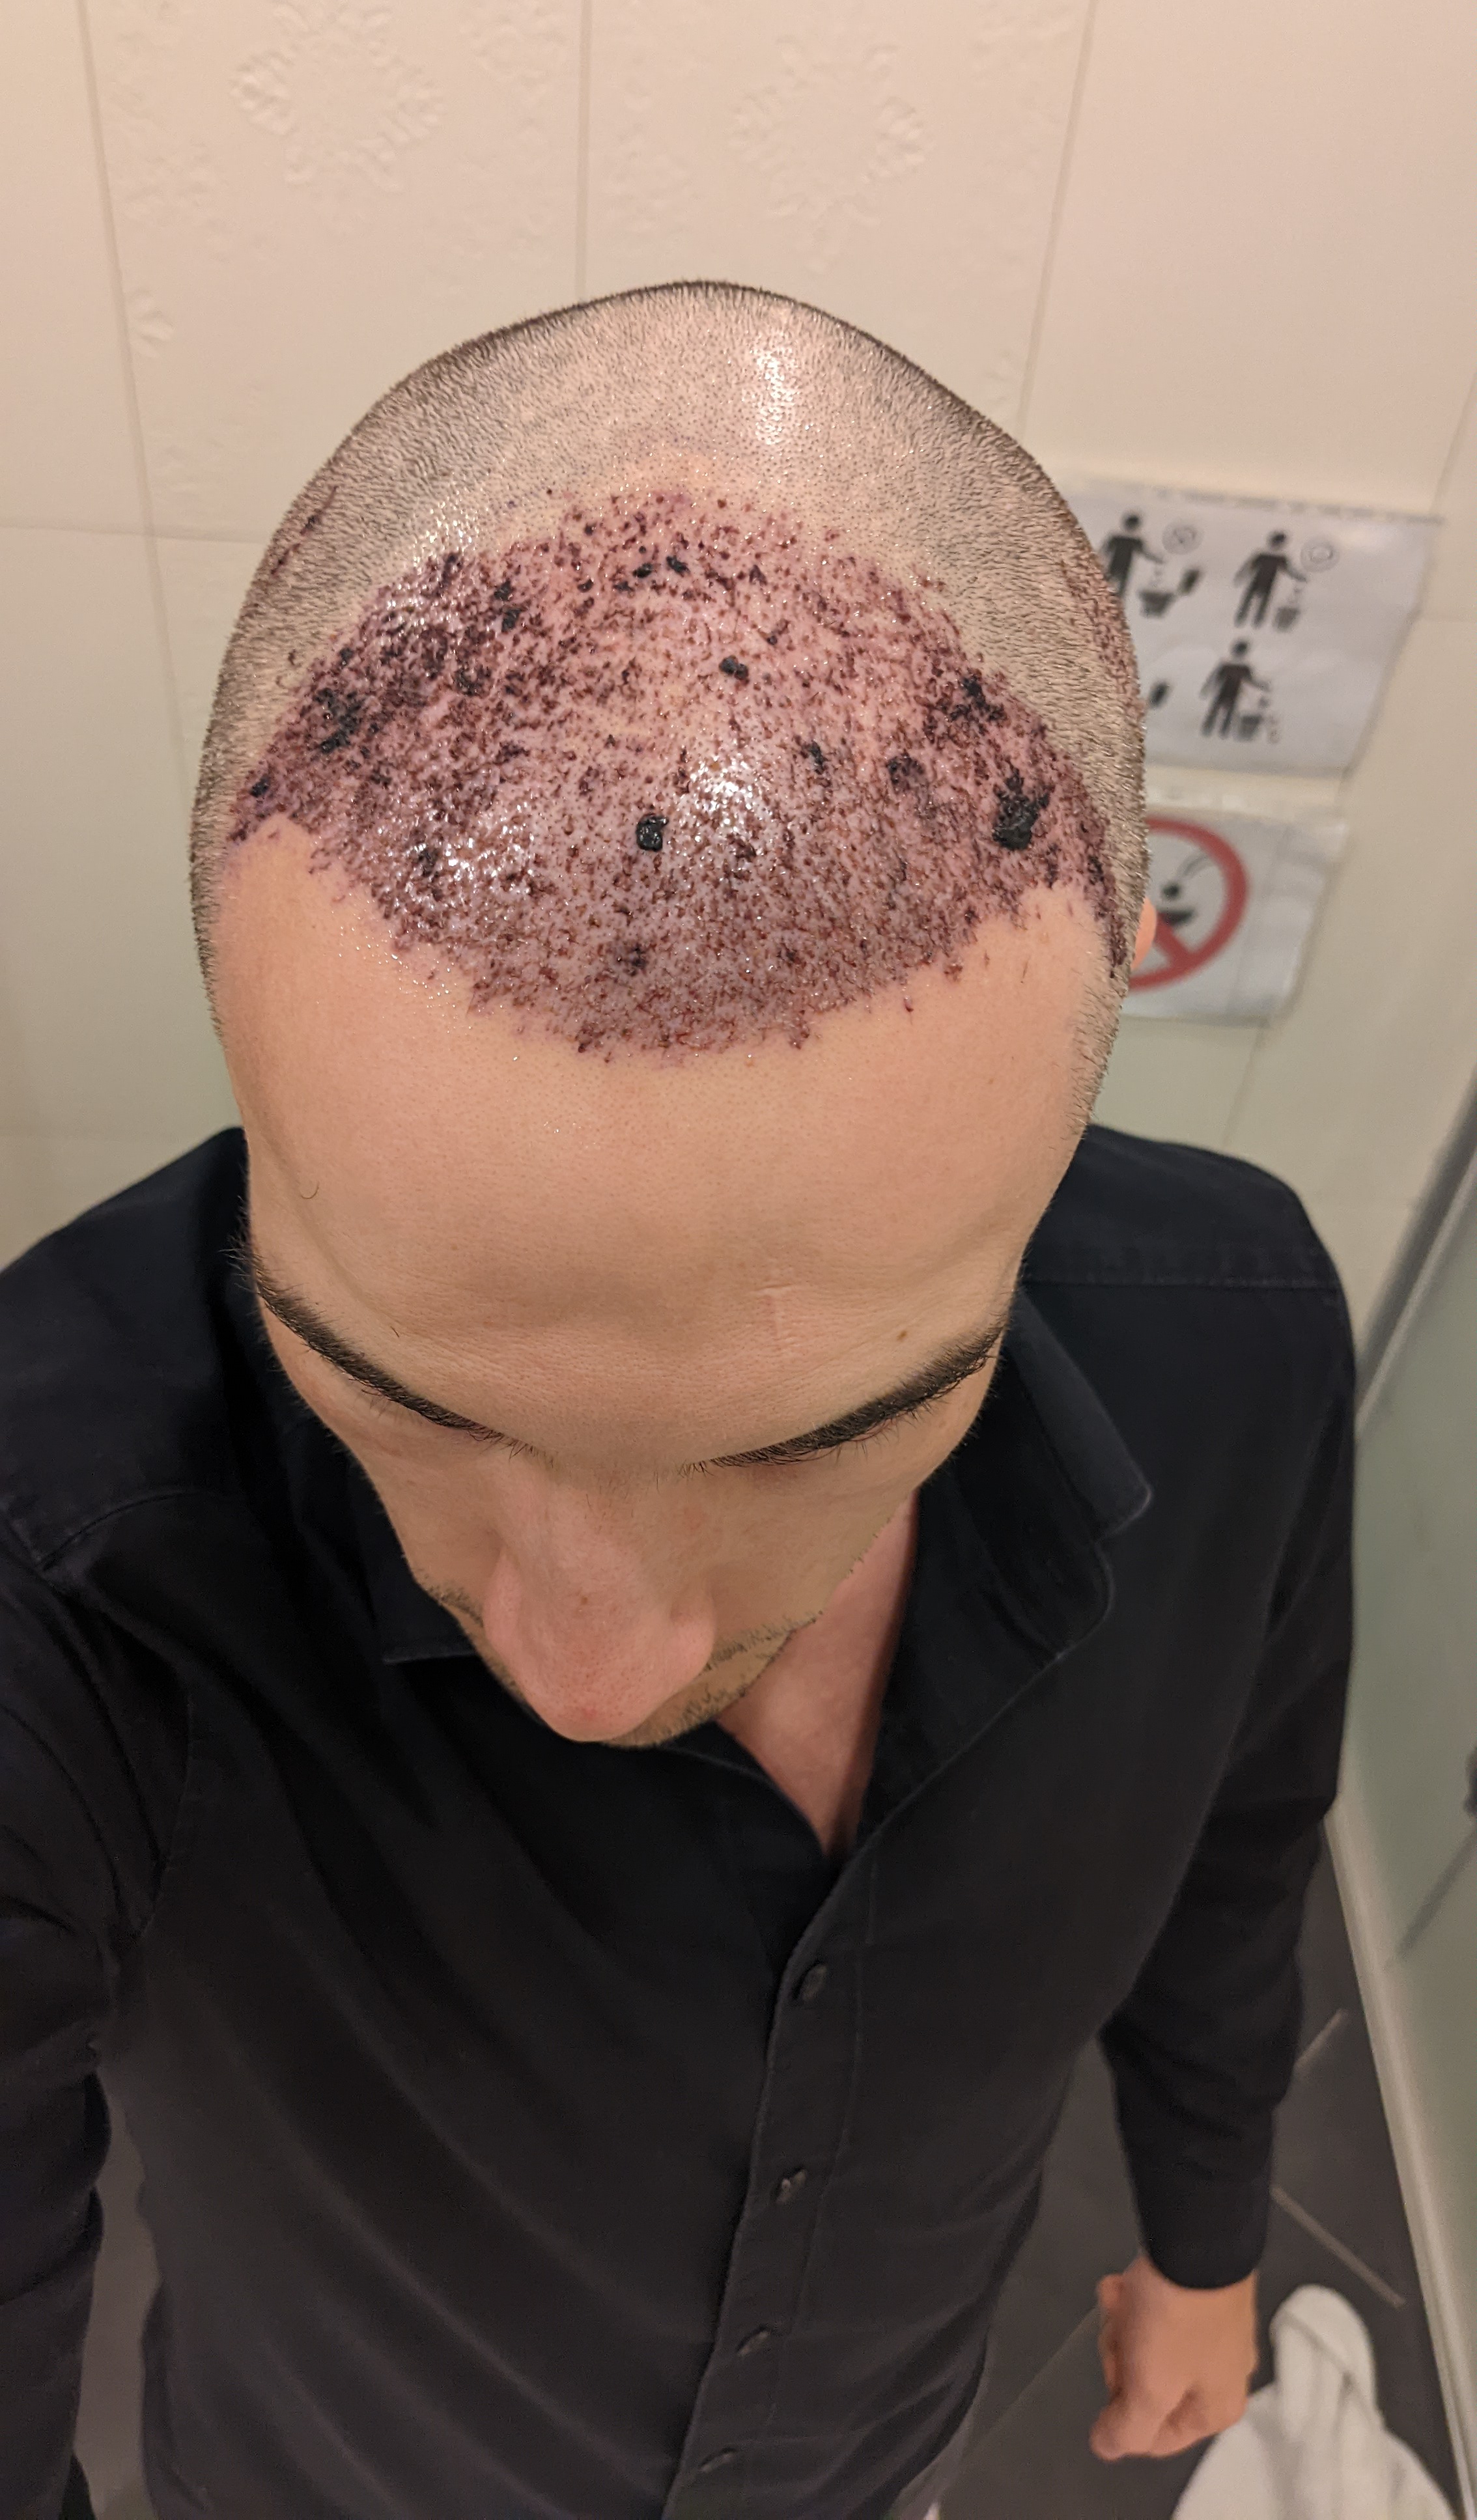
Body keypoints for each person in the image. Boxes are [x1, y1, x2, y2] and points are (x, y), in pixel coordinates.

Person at [1, 283, 1352, 2520]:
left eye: (815, 1436)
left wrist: (1207, 2230)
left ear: (1048, 1166)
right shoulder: (55, 1553)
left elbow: (1237, 1830)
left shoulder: (1238, 1342)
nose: (586, 1665)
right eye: (401, 1399)